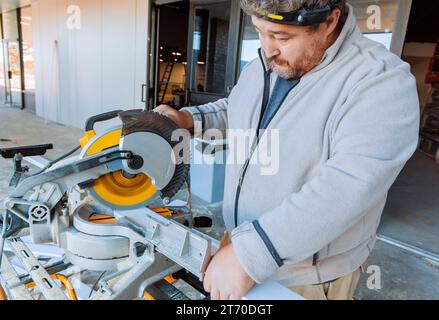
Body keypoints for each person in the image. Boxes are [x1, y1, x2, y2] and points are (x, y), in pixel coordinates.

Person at [155, 0, 420, 300]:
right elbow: (239, 111)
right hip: (241, 245)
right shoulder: (264, 63)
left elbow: (347, 187)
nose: (268, 49)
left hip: (306, 276)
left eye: (282, 37)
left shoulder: (381, 80)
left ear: (330, 21)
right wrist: (187, 119)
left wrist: (252, 253)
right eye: (259, 32)